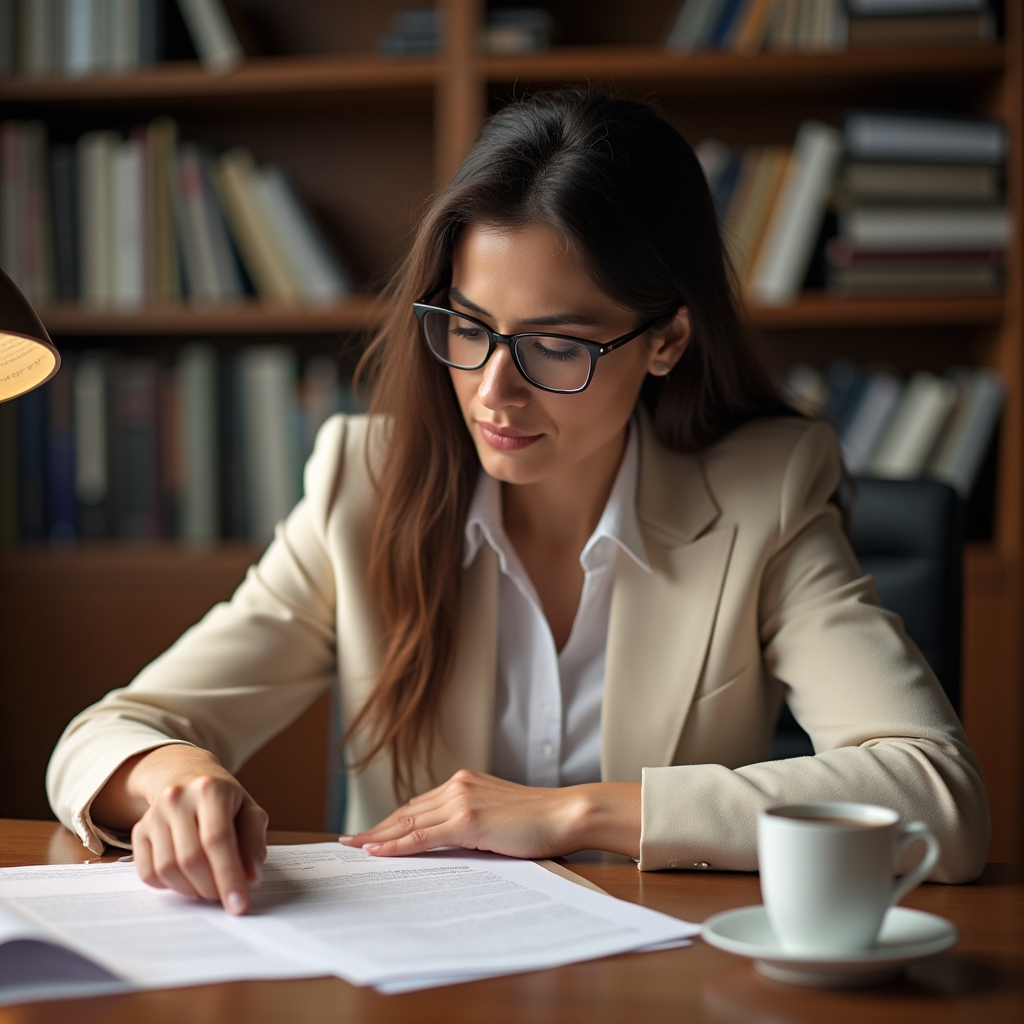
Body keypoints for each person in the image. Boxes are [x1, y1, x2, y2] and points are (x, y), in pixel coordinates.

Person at [47, 89, 989, 916]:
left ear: (665, 343)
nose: (495, 390)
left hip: (665, 977)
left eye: (554, 345)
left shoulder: (765, 493)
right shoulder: (363, 485)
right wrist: (173, 774)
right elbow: (107, 733)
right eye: (469, 327)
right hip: (421, 977)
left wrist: (572, 811)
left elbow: (936, 794)